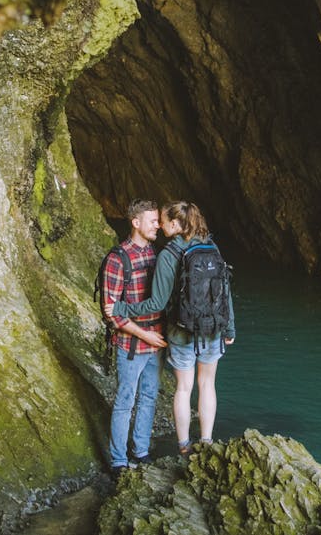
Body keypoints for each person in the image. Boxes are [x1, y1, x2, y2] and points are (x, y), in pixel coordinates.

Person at [105, 201, 235, 456]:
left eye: (163, 220)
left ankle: (184, 446)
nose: (160, 225)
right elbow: (225, 290)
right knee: (208, 385)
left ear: (175, 224)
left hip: (182, 331)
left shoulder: (168, 254)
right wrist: (229, 328)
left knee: (184, 388)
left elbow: (157, 303)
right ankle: (207, 441)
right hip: (213, 329)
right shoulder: (211, 246)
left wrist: (121, 309)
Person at [103, 198, 167, 478]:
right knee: (125, 401)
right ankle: (118, 460)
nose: (159, 225)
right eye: (153, 221)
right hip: (132, 345)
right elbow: (111, 313)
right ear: (135, 222)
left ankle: (140, 451)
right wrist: (146, 336)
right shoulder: (117, 259)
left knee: (150, 397)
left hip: (155, 342)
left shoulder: (152, 252)